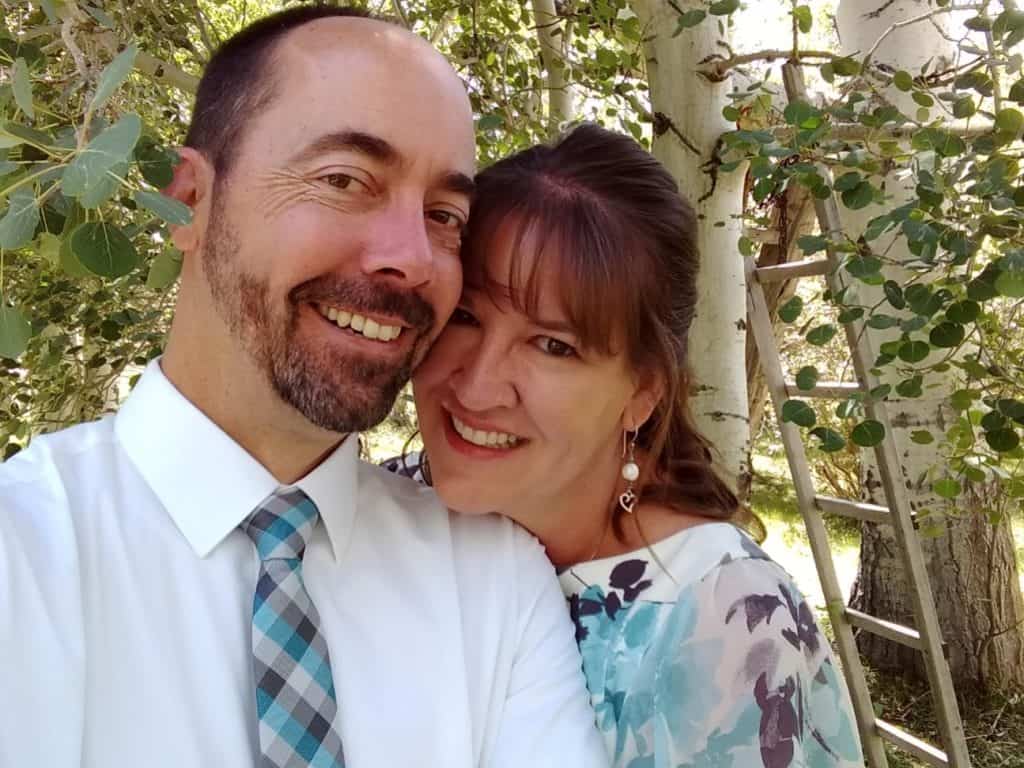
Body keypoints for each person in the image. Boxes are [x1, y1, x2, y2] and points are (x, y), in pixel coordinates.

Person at [0, 7, 608, 767]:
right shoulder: (24, 557)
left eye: (445, 215)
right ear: (188, 200)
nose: (412, 259)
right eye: (344, 179)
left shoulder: (492, 584)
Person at [408, 123, 866, 768]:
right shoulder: (380, 509)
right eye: (465, 316)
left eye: (554, 346)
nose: (478, 386)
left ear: (642, 394)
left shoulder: (724, 625)